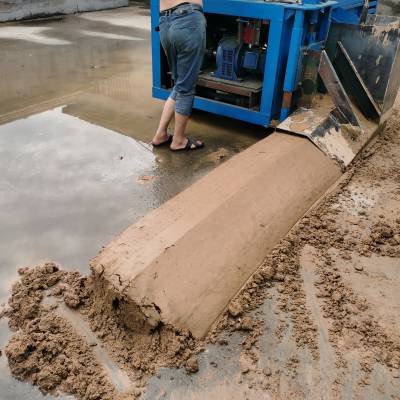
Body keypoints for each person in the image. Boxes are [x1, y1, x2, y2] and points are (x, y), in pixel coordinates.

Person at [151, 1, 206, 151]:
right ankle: (179, 140)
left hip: (165, 22)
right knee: (186, 88)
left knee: (180, 84)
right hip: (187, 19)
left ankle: (160, 134)